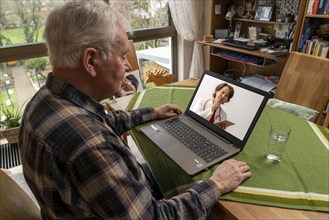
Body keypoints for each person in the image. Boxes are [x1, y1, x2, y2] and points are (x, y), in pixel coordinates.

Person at [18, 1, 251, 219]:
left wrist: (153, 113)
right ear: (90, 61)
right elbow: (155, 216)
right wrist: (217, 184)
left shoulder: (44, 100)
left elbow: (102, 121)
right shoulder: (89, 143)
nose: (128, 66)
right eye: (121, 56)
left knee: (170, 167)